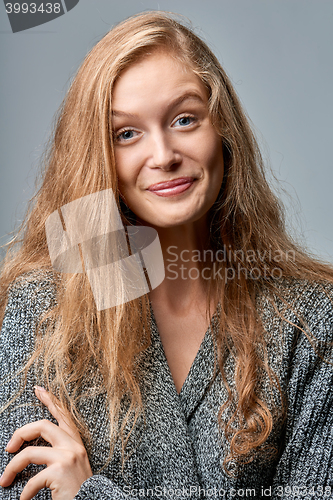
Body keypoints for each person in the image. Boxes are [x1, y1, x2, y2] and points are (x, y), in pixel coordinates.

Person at [1, 10, 333, 500]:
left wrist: (91, 492)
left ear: (222, 130)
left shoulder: (312, 318)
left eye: (184, 119)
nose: (163, 154)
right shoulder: (45, 311)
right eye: (126, 133)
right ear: (99, 155)